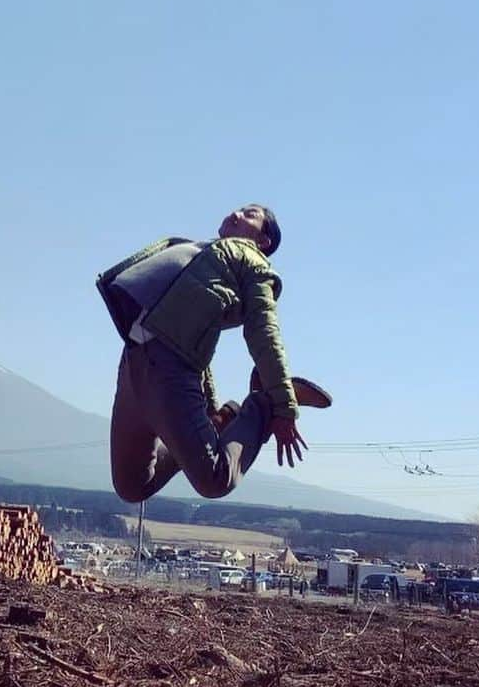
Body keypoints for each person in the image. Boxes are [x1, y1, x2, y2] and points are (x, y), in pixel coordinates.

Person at [98, 204, 332, 503]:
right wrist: (212, 409)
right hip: (134, 363)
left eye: (250, 215)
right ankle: (221, 422)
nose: (236, 214)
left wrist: (283, 408)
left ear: (264, 242)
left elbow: (265, 335)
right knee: (132, 486)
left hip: (168, 372)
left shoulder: (254, 264)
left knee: (216, 477)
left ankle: (262, 405)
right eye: (237, 209)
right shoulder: (200, 255)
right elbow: (201, 338)